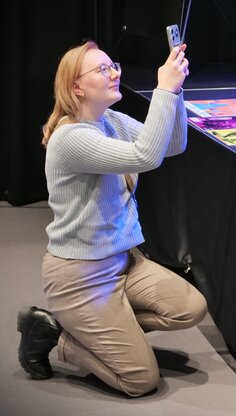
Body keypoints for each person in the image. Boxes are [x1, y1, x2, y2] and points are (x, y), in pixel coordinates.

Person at [17, 39, 208, 397]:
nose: (114, 73)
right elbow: (146, 157)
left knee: (189, 308)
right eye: (102, 69)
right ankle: (58, 336)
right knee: (139, 381)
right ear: (77, 87)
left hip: (124, 263)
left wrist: (176, 92)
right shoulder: (70, 138)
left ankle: (99, 332)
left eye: (113, 65)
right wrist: (163, 89)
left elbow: (172, 145)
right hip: (81, 277)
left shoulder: (111, 121)